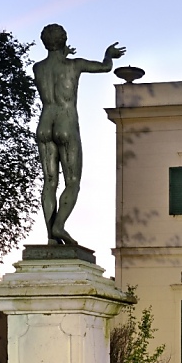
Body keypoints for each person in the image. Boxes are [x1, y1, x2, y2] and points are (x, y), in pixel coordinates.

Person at [34, 24, 125, 245]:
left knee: (49, 182)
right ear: (64, 40)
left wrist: (61, 51)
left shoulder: (38, 68)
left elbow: (54, 64)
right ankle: (59, 226)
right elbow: (105, 67)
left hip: (45, 123)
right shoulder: (74, 65)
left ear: (45, 42)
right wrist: (108, 55)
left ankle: (51, 238)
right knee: (72, 181)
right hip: (66, 123)